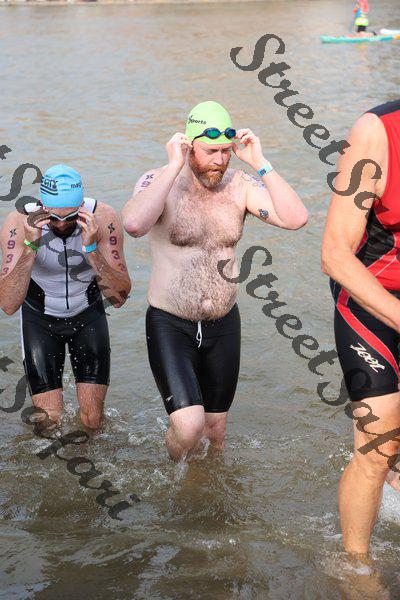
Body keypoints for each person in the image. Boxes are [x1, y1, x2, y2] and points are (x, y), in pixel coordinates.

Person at [122, 100, 308, 461]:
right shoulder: (159, 181)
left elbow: (296, 218)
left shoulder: (239, 185)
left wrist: (260, 162)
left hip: (223, 324)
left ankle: (203, 488)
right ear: (188, 145)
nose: (220, 160)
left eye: (225, 151)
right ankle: (172, 474)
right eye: (211, 151)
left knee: (215, 431)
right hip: (170, 324)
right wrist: (173, 166)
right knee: (189, 428)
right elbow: (133, 224)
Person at [322, 99, 400, 555]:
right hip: (369, 295)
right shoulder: (376, 133)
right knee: (379, 443)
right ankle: (356, 567)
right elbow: (334, 253)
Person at [0, 164, 131, 431]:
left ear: (81, 206)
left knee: (93, 420)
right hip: (40, 322)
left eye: (70, 217)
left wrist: (91, 248)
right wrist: (31, 246)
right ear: (41, 206)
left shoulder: (103, 217)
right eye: (53, 217)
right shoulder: (18, 222)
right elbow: (8, 304)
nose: (61, 224)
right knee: (48, 422)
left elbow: (118, 298)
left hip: (88, 317)